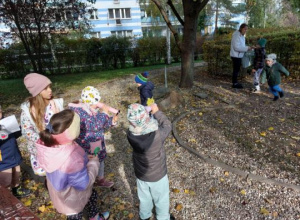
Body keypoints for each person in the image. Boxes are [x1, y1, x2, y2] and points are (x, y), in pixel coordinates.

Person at [36, 109, 109, 220]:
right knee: (76, 215)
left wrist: (85, 158)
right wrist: (94, 162)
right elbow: (83, 184)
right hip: (72, 201)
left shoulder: (50, 144)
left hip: (60, 194)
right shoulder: (72, 159)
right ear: (72, 131)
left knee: (92, 195)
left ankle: (94, 216)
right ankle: (94, 216)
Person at [126, 103, 175, 220]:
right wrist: (156, 112)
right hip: (158, 175)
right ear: (146, 118)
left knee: (144, 198)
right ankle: (163, 217)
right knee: (161, 198)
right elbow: (167, 125)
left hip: (141, 175)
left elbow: (138, 124)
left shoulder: (130, 134)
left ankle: (145, 216)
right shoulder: (157, 135)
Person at [68, 86, 118, 188]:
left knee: (100, 160)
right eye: (96, 102)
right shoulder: (80, 112)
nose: (99, 104)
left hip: (96, 142)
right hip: (86, 143)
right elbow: (95, 125)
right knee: (88, 162)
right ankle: (87, 181)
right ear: (89, 102)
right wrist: (105, 112)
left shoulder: (90, 109)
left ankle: (100, 179)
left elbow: (101, 123)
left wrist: (112, 121)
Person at [20, 73, 64, 176]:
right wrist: (43, 139)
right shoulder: (28, 110)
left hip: (59, 147)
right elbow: (27, 131)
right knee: (49, 174)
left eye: (50, 87)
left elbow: (63, 121)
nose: (50, 90)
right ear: (37, 92)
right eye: (45, 88)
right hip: (42, 149)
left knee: (61, 173)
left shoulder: (55, 104)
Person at [0, 105, 31, 198]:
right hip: (3, 160)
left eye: (0, 111)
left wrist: (21, 128)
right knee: (5, 180)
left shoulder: (5, 123)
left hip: (14, 155)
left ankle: (16, 190)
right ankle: (4, 198)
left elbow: (15, 134)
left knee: (16, 174)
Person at [230, 23, 253, 89]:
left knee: (237, 69)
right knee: (236, 70)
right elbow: (236, 47)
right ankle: (234, 83)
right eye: (245, 29)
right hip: (236, 55)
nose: (246, 30)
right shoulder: (236, 35)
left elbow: (242, 46)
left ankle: (235, 82)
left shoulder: (242, 36)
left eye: (246, 29)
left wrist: (248, 47)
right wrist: (247, 48)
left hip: (239, 55)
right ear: (241, 28)